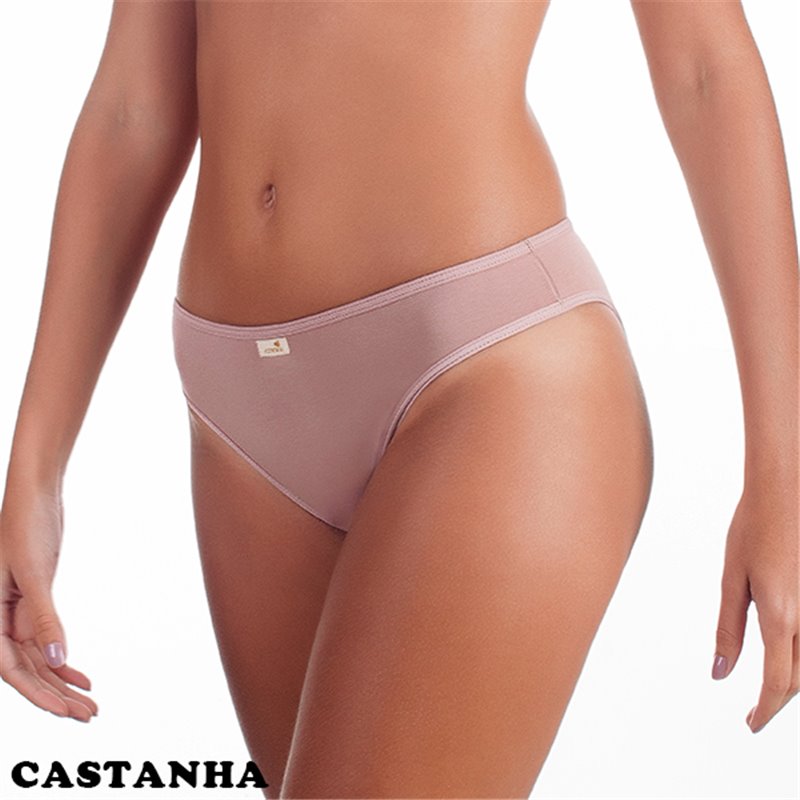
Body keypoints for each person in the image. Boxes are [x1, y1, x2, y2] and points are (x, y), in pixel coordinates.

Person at [0, 1, 797, 798]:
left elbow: (705, 70)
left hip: (483, 363)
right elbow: (133, 107)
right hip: (240, 414)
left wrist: (784, 470)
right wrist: (34, 472)